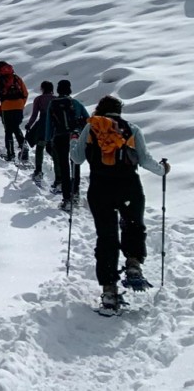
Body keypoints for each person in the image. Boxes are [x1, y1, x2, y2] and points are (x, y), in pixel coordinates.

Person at [71, 95, 170, 313]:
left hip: (99, 189)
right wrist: (163, 169)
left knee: (106, 236)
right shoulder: (131, 129)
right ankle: (133, 264)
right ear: (119, 111)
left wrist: (73, 143)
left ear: (100, 109)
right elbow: (143, 159)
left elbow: (77, 159)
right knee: (133, 225)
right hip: (129, 187)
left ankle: (109, 291)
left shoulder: (91, 128)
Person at [48, 79, 88, 211]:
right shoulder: (75, 103)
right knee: (75, 163)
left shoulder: (53, 104)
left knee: (64, 167)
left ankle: (66, 198)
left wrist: (48, 139)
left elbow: (49, 124)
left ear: (58, 90)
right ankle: (75, 192)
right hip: (74, 137)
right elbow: (87, 120)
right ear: (69, 90)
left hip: (59, 138)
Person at [0, 60, 29, 162]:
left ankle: (10, 154)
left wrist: (0, 108)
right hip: (19, 106)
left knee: (8, 131)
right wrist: (21, 104)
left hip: (6, 107)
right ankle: (24, 147)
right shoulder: (16, 77)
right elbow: (25, 93)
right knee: (16, 127)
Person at [22, 80, 55, 180]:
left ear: (43, 88)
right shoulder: (56, 99)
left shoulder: (39, 99)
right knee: (52, 147)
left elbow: (34, 115)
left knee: (40, 147)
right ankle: (60, 170)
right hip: (54, 126)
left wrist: (29, 125)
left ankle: (38, 171)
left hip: (42, 125)